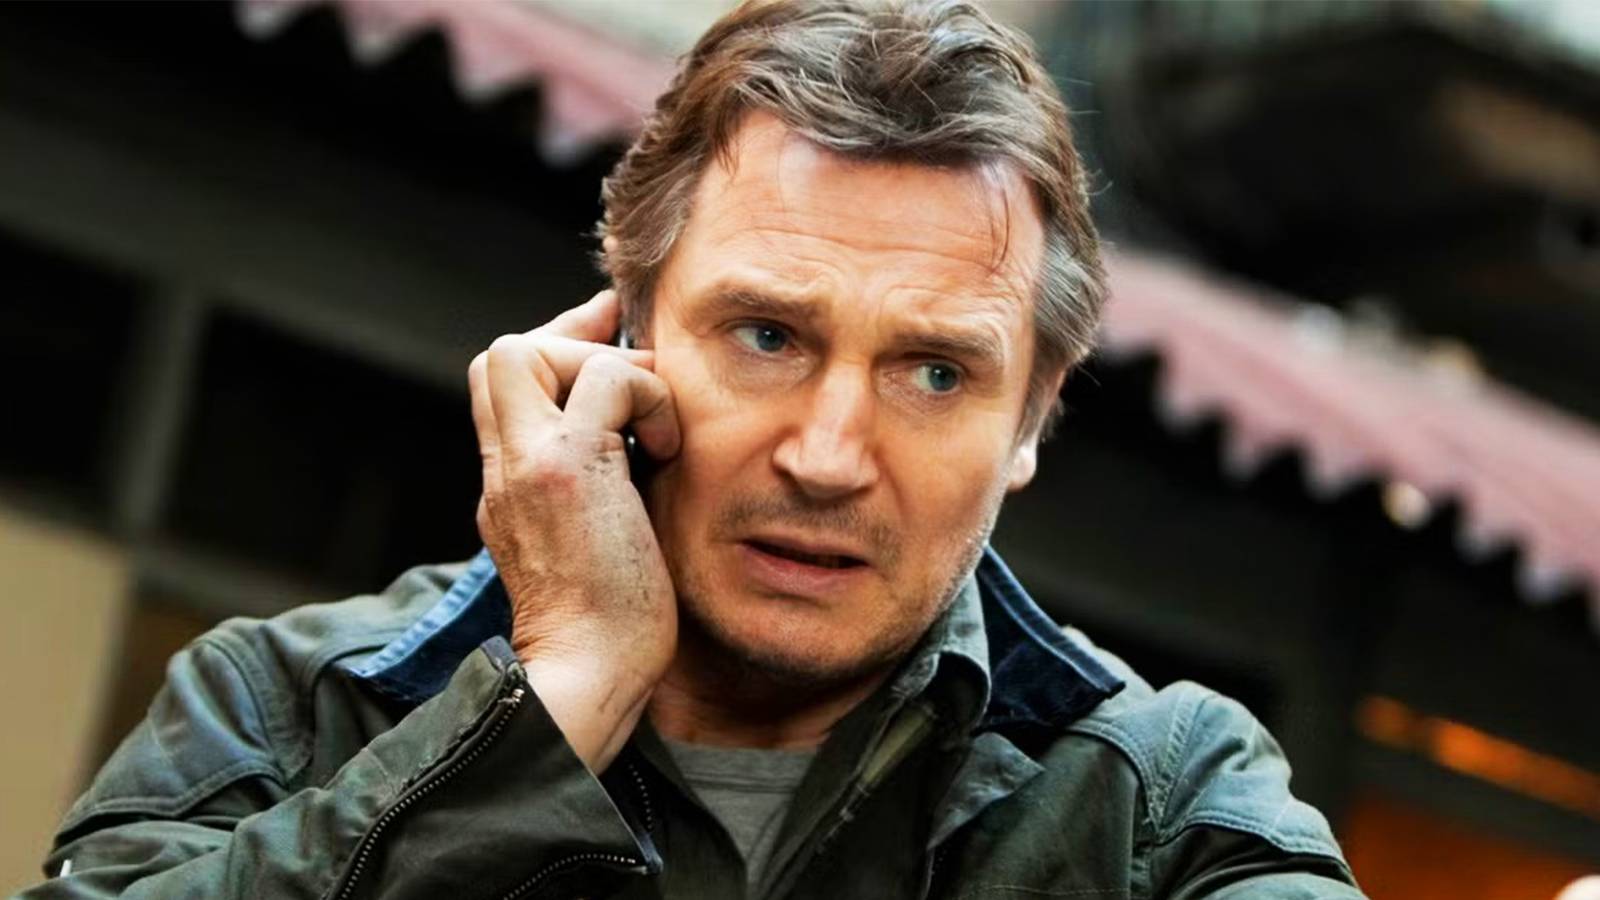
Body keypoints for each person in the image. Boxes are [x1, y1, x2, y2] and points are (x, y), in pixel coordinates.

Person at [26, 1, 1364, 898]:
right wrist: (553, 702)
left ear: (1029, 419)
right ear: (623, 335)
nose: (830, 456)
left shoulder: (1162, 810)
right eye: (768, 336)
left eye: (936, 372)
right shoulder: (283, 712)